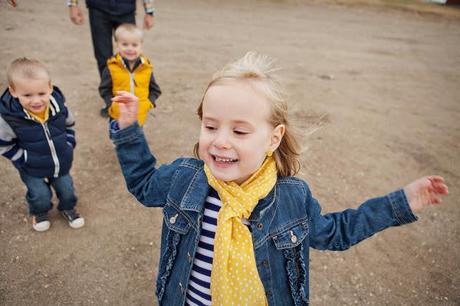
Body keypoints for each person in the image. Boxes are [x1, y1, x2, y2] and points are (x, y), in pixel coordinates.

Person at [109, 52, 448, 305]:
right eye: (210, 126)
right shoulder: (185, 179)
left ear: (274, 138)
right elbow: (143, 184)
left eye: (240, 130)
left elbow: (336, 232)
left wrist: (399, 203)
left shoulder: (291, 198)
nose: (220, 140)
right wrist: (128, 131)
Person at [0, 58, 84, 232]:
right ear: (13, 91)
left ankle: (68, 208)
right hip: (31, 167)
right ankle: (39, 212)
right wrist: (23, 159)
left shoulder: (58, 106)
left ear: (50, 88)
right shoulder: (9, 118)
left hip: (60, 162)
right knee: (40, 195)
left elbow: (69, 125)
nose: (36, 101)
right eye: (27, 95)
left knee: (67, 189)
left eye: (41, 93)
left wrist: (69, 143)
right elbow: (4, 145)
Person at [67, 0, 156, 116]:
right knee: (103, 55)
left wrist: (149, 11)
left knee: (131, 53)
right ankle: (112, 100)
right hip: (98, 7)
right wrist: (73, 4)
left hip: (126, 8)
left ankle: (132, 98)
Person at [99, 23, 161, 123]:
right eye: (125, 44)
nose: (130, 48)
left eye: (134, 45)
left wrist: (148, 104)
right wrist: (112, 105)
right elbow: (104, 89)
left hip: (139, 117)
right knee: (118, 138)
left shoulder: (146, 68)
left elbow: (155, 90)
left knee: (136, 138)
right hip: (117, 117)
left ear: (141, 46)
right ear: (117, 45)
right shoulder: (111, 67)